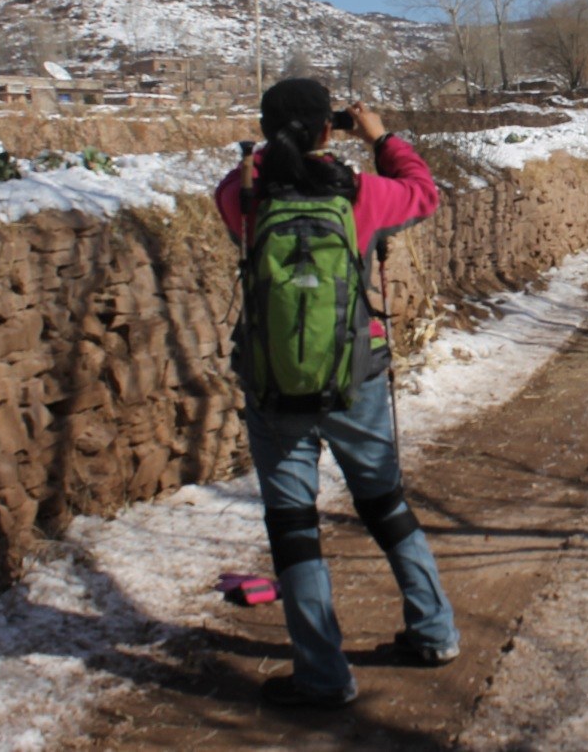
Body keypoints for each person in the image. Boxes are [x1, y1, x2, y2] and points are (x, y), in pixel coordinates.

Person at [214, 78, 459, 710]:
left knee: (294, 526)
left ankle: (322, 675)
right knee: (384, 503)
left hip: (275, 389)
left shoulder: (242, 194)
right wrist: (379, 137)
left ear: (268, 130)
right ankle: (432, 631)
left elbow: (232, 192)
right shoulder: (362, 195)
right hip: (357, 377)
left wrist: (267, 155)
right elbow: (426, 194)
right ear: (330, 130)